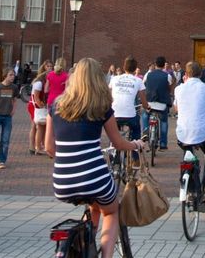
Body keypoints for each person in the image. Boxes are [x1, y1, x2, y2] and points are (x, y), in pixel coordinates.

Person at [46, 58, 146, 258]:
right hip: (94, 177)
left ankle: (86, 245)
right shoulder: (101, 106)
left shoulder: (56, 106)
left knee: (94, 205)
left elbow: (49, 147)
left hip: (62, 181)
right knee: (111, 211)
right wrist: (136, 144)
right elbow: (117, 143)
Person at [174, 61, 205, 209]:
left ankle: (190, 191)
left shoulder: (179, 89)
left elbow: (176, 109)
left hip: (182, 134)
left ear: (186, 74)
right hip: (202, 132)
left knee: (188, 156)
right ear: (201, 74)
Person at [110, 57, 149, 141]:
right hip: (130, 115)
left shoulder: (114, 79)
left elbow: (108, 96)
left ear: (124, 67)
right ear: (135, 69)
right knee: (136, 129)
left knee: (113, 134)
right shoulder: (138, 80)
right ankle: (135, 151)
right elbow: (143, 101)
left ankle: (112, 149)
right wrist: (147, 107)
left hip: (115, 114)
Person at [143, 56, 172, 150]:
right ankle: (163, 143)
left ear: (155, 65)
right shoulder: (167, 76)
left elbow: (144, 85)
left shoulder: (148, 75)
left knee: (145, 115)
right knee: (163, 121)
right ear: (164, 65)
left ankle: (146, 131)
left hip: (150, 102)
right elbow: (169, 88)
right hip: (162, 103)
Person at [30, 67, 49, 155]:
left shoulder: (43, 82)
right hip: (38, 107)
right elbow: (36, 97)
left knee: (43, 127)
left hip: (41, 106)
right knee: (39, 126)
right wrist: (41, 105)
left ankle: (41, 146)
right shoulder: (39, 83)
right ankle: (37, 147)